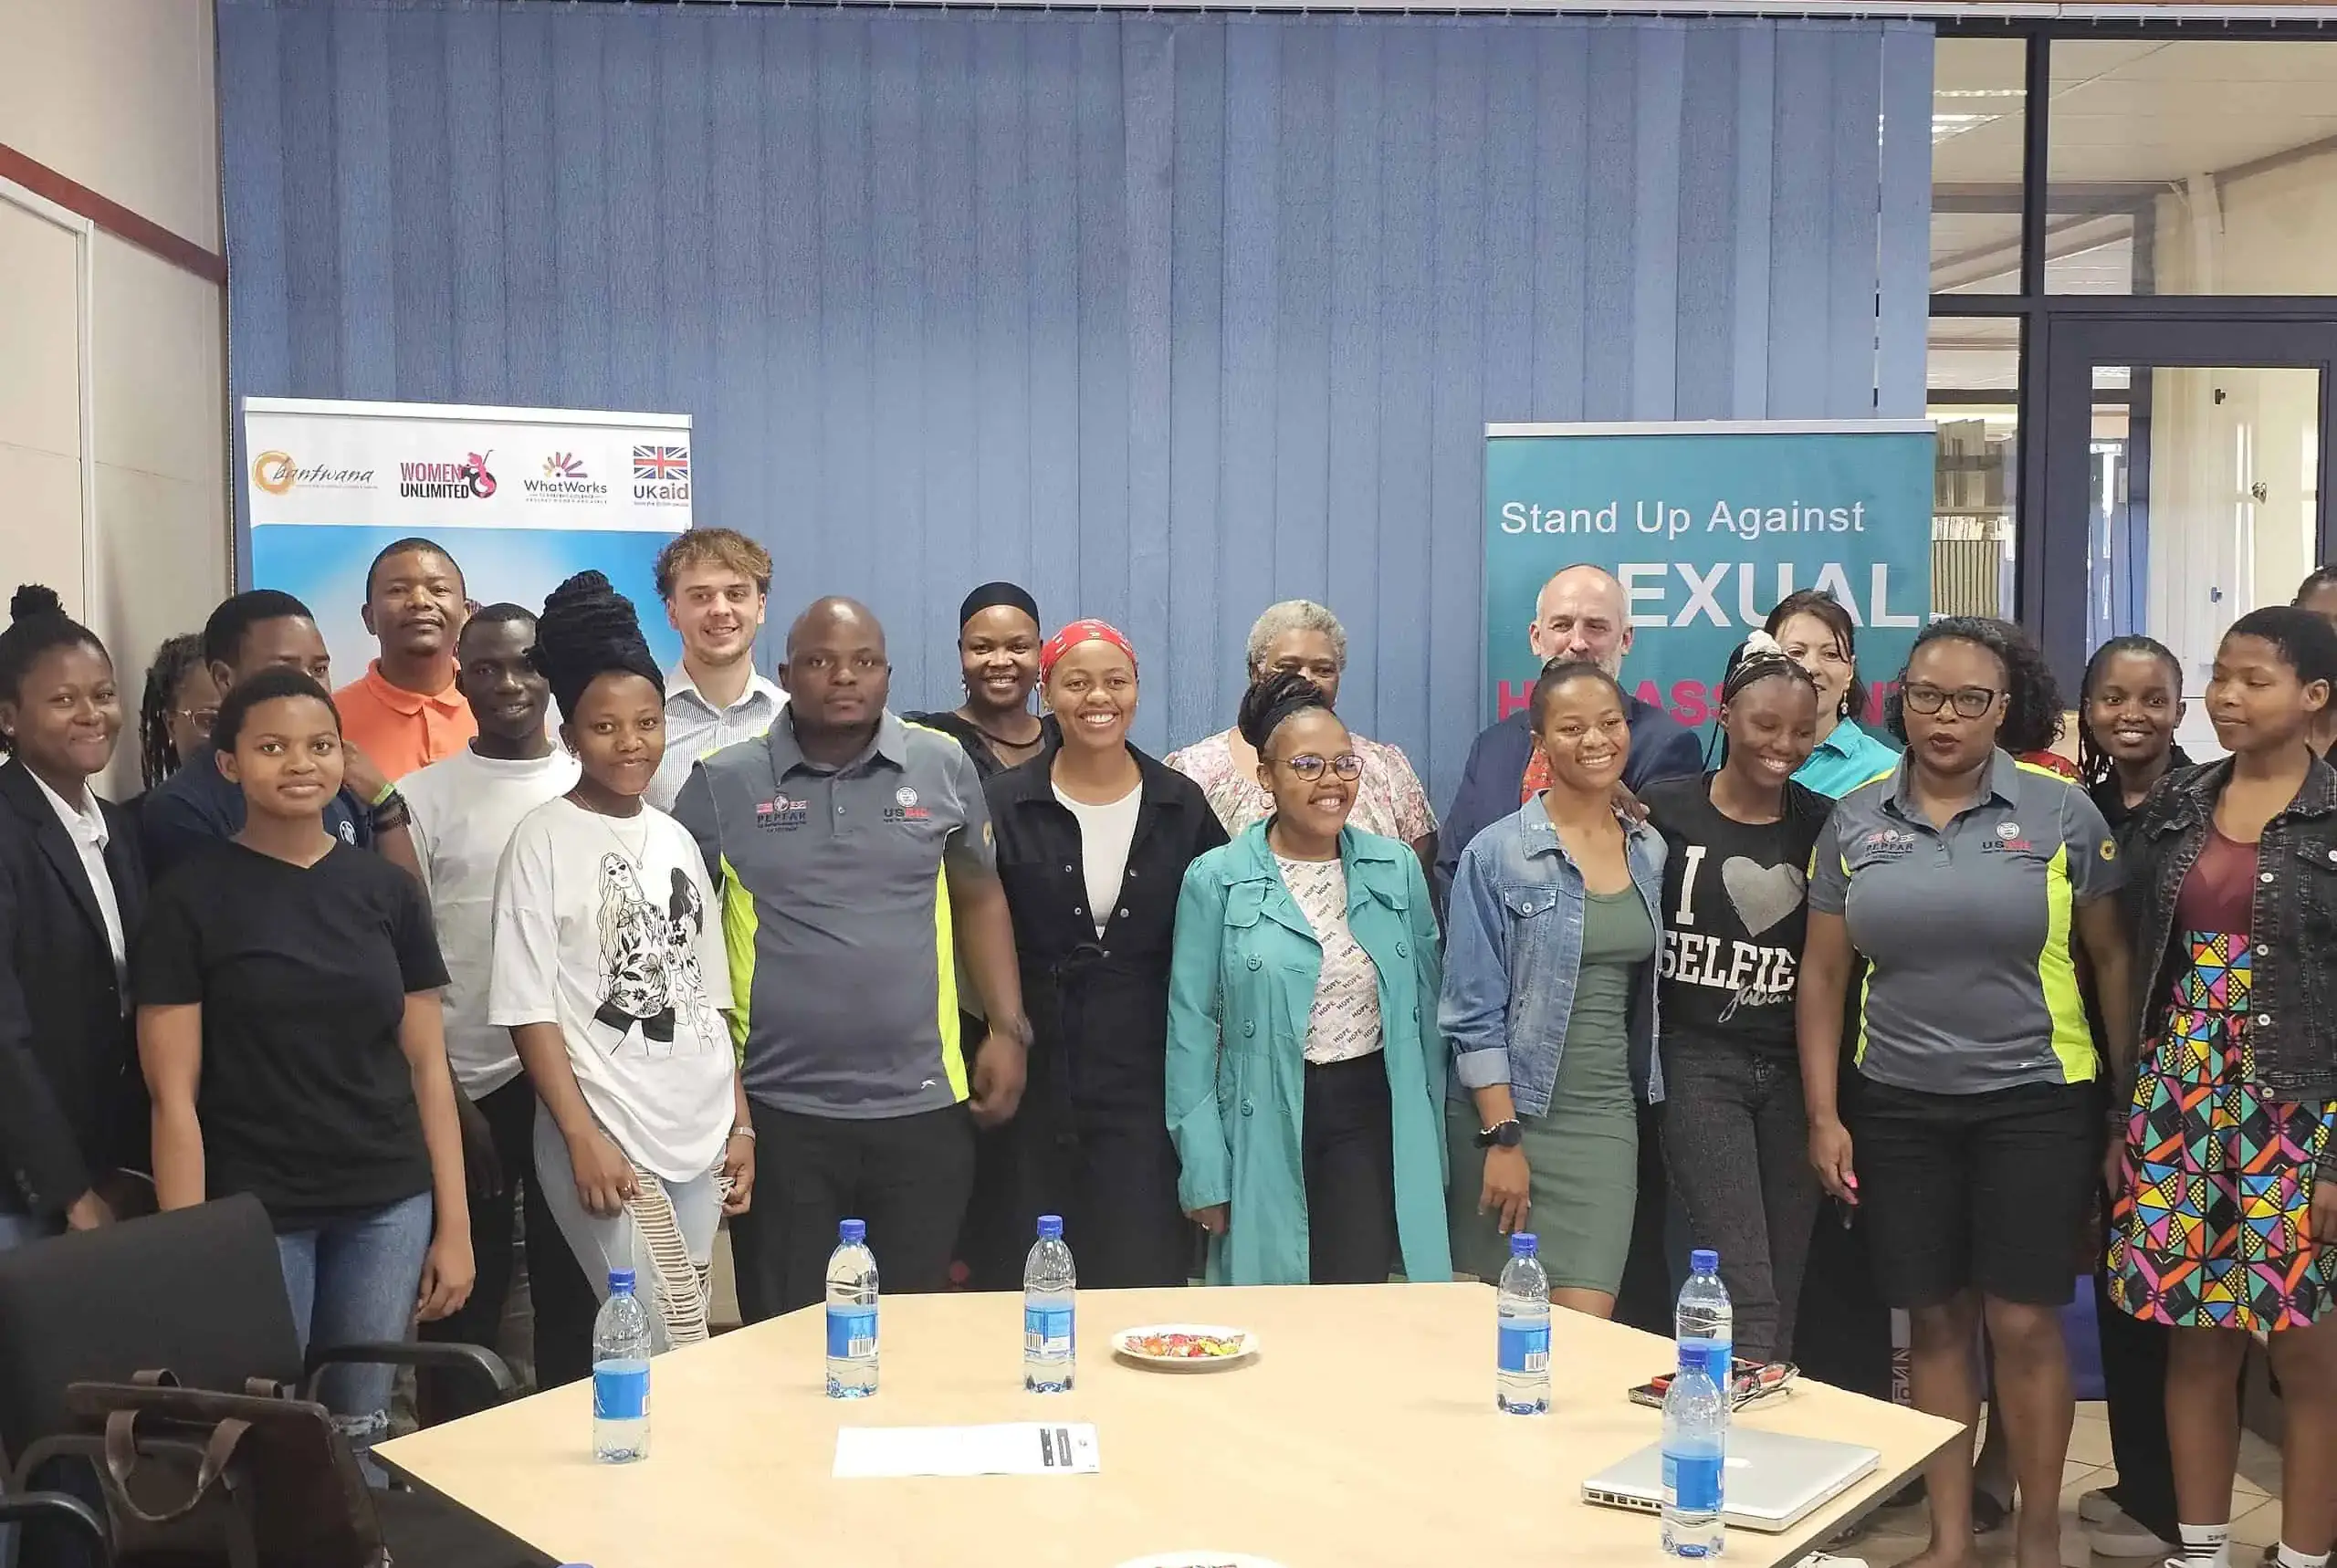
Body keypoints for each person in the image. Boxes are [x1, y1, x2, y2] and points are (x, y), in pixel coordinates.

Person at [1799, 616, 2133, 1568]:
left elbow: (2111, 961)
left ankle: (2036, 1532)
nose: (1944, 717)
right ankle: (1949, 1536)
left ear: (2003, 707)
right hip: (1898, 1104)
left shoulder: (2062, 813)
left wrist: (2124, 1106)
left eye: (1969, 699)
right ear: (1899, 699)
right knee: (1937, 1320)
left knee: (2022, 1321)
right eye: (1926, 696)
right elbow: (1823, 976)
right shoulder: (1854, 819)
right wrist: (1824, 1114)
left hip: (2037, 1100)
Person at [133, 666, 473, 1455]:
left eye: (320, 746)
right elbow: (173, 1098)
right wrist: (187, 1253)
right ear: (229, 764)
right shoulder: (189, 899)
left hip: (386, 1202)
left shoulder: (387, 893)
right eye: (272, 747)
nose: (299, 764)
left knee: (362, 1425)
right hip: (256, 1211)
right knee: (264, 1433)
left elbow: (428, 1068)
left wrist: (453, 1227)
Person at [674, 597, 1030, 1320]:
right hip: (779, 1112)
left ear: (889, 675)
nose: (844, 676)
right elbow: (677, 944)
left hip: (923, 1105)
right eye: (820, 661)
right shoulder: (723, 782)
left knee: (913, 1329)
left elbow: (979, 895)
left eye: (864, 662)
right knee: (786, 1334)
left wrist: (1006, 1027)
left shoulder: (940, 763)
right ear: (785, 675)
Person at [2111, 607, 2337, 1568]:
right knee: (2192, 1332)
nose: (2226, 696)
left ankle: (2301, 1557)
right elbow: (2135, 960)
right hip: (2179, 1090)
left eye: (2254, 679)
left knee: (2306, 1347)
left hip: (2300, 1104)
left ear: (2314, 696)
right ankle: (2200, 1550)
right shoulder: (2177, 805)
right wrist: (2126, 1116)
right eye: (2220, 675)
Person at [489, 572, 750, 1354]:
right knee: (664, 1339)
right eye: (605, 727)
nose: (631, 743)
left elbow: (707, 999)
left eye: (647, 722)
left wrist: (739, 1122)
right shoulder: (540, 840)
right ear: (569, 734)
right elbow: (528, 1011)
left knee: (682, 1338)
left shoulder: (674, 837)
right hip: (606, 1127)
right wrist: (579, 1136)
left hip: (699, 1128)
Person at [1165, 672, 1447, 1286]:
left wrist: (1434, 1149)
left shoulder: (1396, 868)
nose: (1332, 782)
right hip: (1262, 1110)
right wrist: (1204, 1166)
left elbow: (1427, 1016)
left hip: (1368, 1111)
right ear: (1266, 776)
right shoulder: (1216, 878)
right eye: (1308, 765)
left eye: (1344, 764)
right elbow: (1191, 1029)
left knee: (1356, 1297)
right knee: (1267, 1304)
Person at [985, 619, 1226, 1287]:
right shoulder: (1004, 802)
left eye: (1116, 681)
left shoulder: (1180, 804)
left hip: (1146, 1081)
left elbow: (1220, 934)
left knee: (1138, 1272)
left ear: (1136, 691)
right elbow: (971, 926)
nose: (1099, 697)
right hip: (1032, 1078)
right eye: (1077, 683)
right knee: (1027, 1275)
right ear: (1047, 693)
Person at [400, 604, 595, 1409]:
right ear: (459, 679)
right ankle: (457, 1468)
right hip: (467, 1085)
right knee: (464, 1302)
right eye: (485, 669)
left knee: (573, 1292)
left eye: (525, 665)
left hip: (574, 1081)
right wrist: (449, 1096)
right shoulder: (420, 799)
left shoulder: (590, 787)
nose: (508, 684)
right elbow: (406, 962)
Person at [1442, 659, 1666, 1312]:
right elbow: (1472, 1011)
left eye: (1610, 723)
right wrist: (1502, 1136)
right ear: (1540, 743)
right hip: (1508, 1121)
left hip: (1605, 1123)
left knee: (1585, 1337)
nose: (1595, 740)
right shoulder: (1496, 853)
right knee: (1501, 1341)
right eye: (1572, 728)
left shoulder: (1649, 849)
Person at [1641, 632, 1829, 1364]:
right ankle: (1725, 1418)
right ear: (1724, 716)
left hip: (1790, 1072)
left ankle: (1762, 1407)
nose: (1784, 745)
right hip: (1697, 1061)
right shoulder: (1664, 809)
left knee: (1785, 1277)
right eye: (1766, 725)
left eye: (1802, 731)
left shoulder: (1824, 824)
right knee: (1742, 1279)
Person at [2070, 633, 2191, 1563]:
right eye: (2114, 697)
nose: (2132, 715)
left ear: (2179, 710)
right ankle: (2138, 1479)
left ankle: (2171, 1500)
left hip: (2184, 1076)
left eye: (2153, 699)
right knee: (2118, 1283)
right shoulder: (2080, 808)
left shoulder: (2205, 804)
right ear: (2087, 708)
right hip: (2094, 1068)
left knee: (2168, 1292)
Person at [0, 587, 143, 1249]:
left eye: (104, 694)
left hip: (109, 1165)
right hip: (25, 1184)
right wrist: (68, 1191)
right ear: (8, 718)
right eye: (63, 701)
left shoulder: (115, 827)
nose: (93, 715)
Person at [1439, 566, 1702, 908]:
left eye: (1596, 626)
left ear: (1625, 639)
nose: (1577, 643)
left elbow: (1663, 882)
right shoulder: (1492, 745)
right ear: (1536, 638)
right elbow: (1453, 867)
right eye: (1562, 625)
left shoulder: (1666, 745)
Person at [140, 590, 415, 880]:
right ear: (224, 678)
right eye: (284, 669)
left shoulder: (343, 781)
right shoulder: (183, 806)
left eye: (319, 669)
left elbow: (401, 901)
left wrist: (386, 804)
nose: (308, 685)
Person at [1167, 600, 1438, 883]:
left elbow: (1421, 881)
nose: (1307, 680)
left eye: (1323, 669)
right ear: (1255, 673)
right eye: (1288, 667)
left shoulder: (1385, 770)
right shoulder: (1197, 772)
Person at [645, 528, 786, 811]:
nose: (720, 609)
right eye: (701, 596)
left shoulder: (793, 720)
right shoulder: (638, 725)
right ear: (672, 612)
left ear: (760, 607)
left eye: (736, 594)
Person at [331, 538, 475, 779]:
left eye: (439, 590)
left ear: (465, 614)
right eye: (397, 590)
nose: (420, 601)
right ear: (369, 618)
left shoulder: (500, 707)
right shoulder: (330, 721)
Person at [908, 581, 1056, 779]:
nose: (1000, 661)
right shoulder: (929, 742)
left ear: (1039, 650)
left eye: (1018, 647)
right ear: (961, 651)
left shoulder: (1065, 738)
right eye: (982, 648)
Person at [1765, 589, 1900, 796]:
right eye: (1796, 652)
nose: (1812, 667)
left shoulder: (1887, 773)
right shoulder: (1744, 756)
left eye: (1831, 654)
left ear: (1849, 671)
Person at [133, 632, 220, 797]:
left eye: (240, 721)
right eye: (211, 721)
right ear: (171, 725)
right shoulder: (151, 811)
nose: (230, 738)